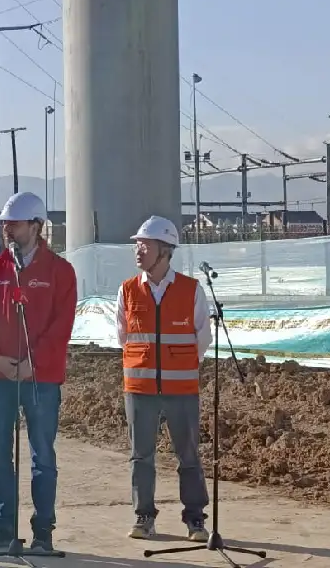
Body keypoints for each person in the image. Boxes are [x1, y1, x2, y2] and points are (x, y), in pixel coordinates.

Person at [0, 191, 78, 553]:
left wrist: (34, 362)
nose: (7, 230)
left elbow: (61, 326)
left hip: (41, 379)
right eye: (4, 224)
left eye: (13, 224)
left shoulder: (60, 272)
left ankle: (42, 531)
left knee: (41, 456)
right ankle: (5, 527)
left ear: (36, 226)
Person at [115, 215, 212, 542]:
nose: (138, 250)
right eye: (137, 244)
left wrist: (179, 367)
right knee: (141, 456)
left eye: (145, 244)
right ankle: (144, 517)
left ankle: (195, 519)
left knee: (188, 455)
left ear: (165, 250)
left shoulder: (191, 290)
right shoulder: (127, 290)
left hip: (181, 389)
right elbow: (122, 336)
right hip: (140, 388)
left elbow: (203, 337)